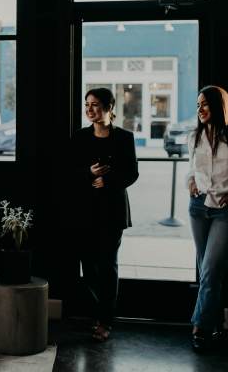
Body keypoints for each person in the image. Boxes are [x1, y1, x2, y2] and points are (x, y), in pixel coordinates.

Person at [71, 87, 138, 342]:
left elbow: (132, 173)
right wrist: (89, 173)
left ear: (110, 108)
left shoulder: (124, 138)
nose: (90, 109)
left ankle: (105, 320)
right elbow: (67, 172)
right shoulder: (79, 138)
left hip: (112, 211)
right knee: (88, 267)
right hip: (85, 211)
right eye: (87, 104)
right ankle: (94, 314)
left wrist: (107, 182)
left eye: (95, 105)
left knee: (108, 266)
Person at [186, 85, 228, 352]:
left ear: (217, 106)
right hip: (198, 207)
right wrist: (190, 182)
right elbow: (192, 169)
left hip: (224, 210)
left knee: (212, 269)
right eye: (198, 105)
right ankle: (216, 323)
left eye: (205, 104)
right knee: (207, 271)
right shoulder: (195, 136)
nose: (200, 110)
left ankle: (199, 326)